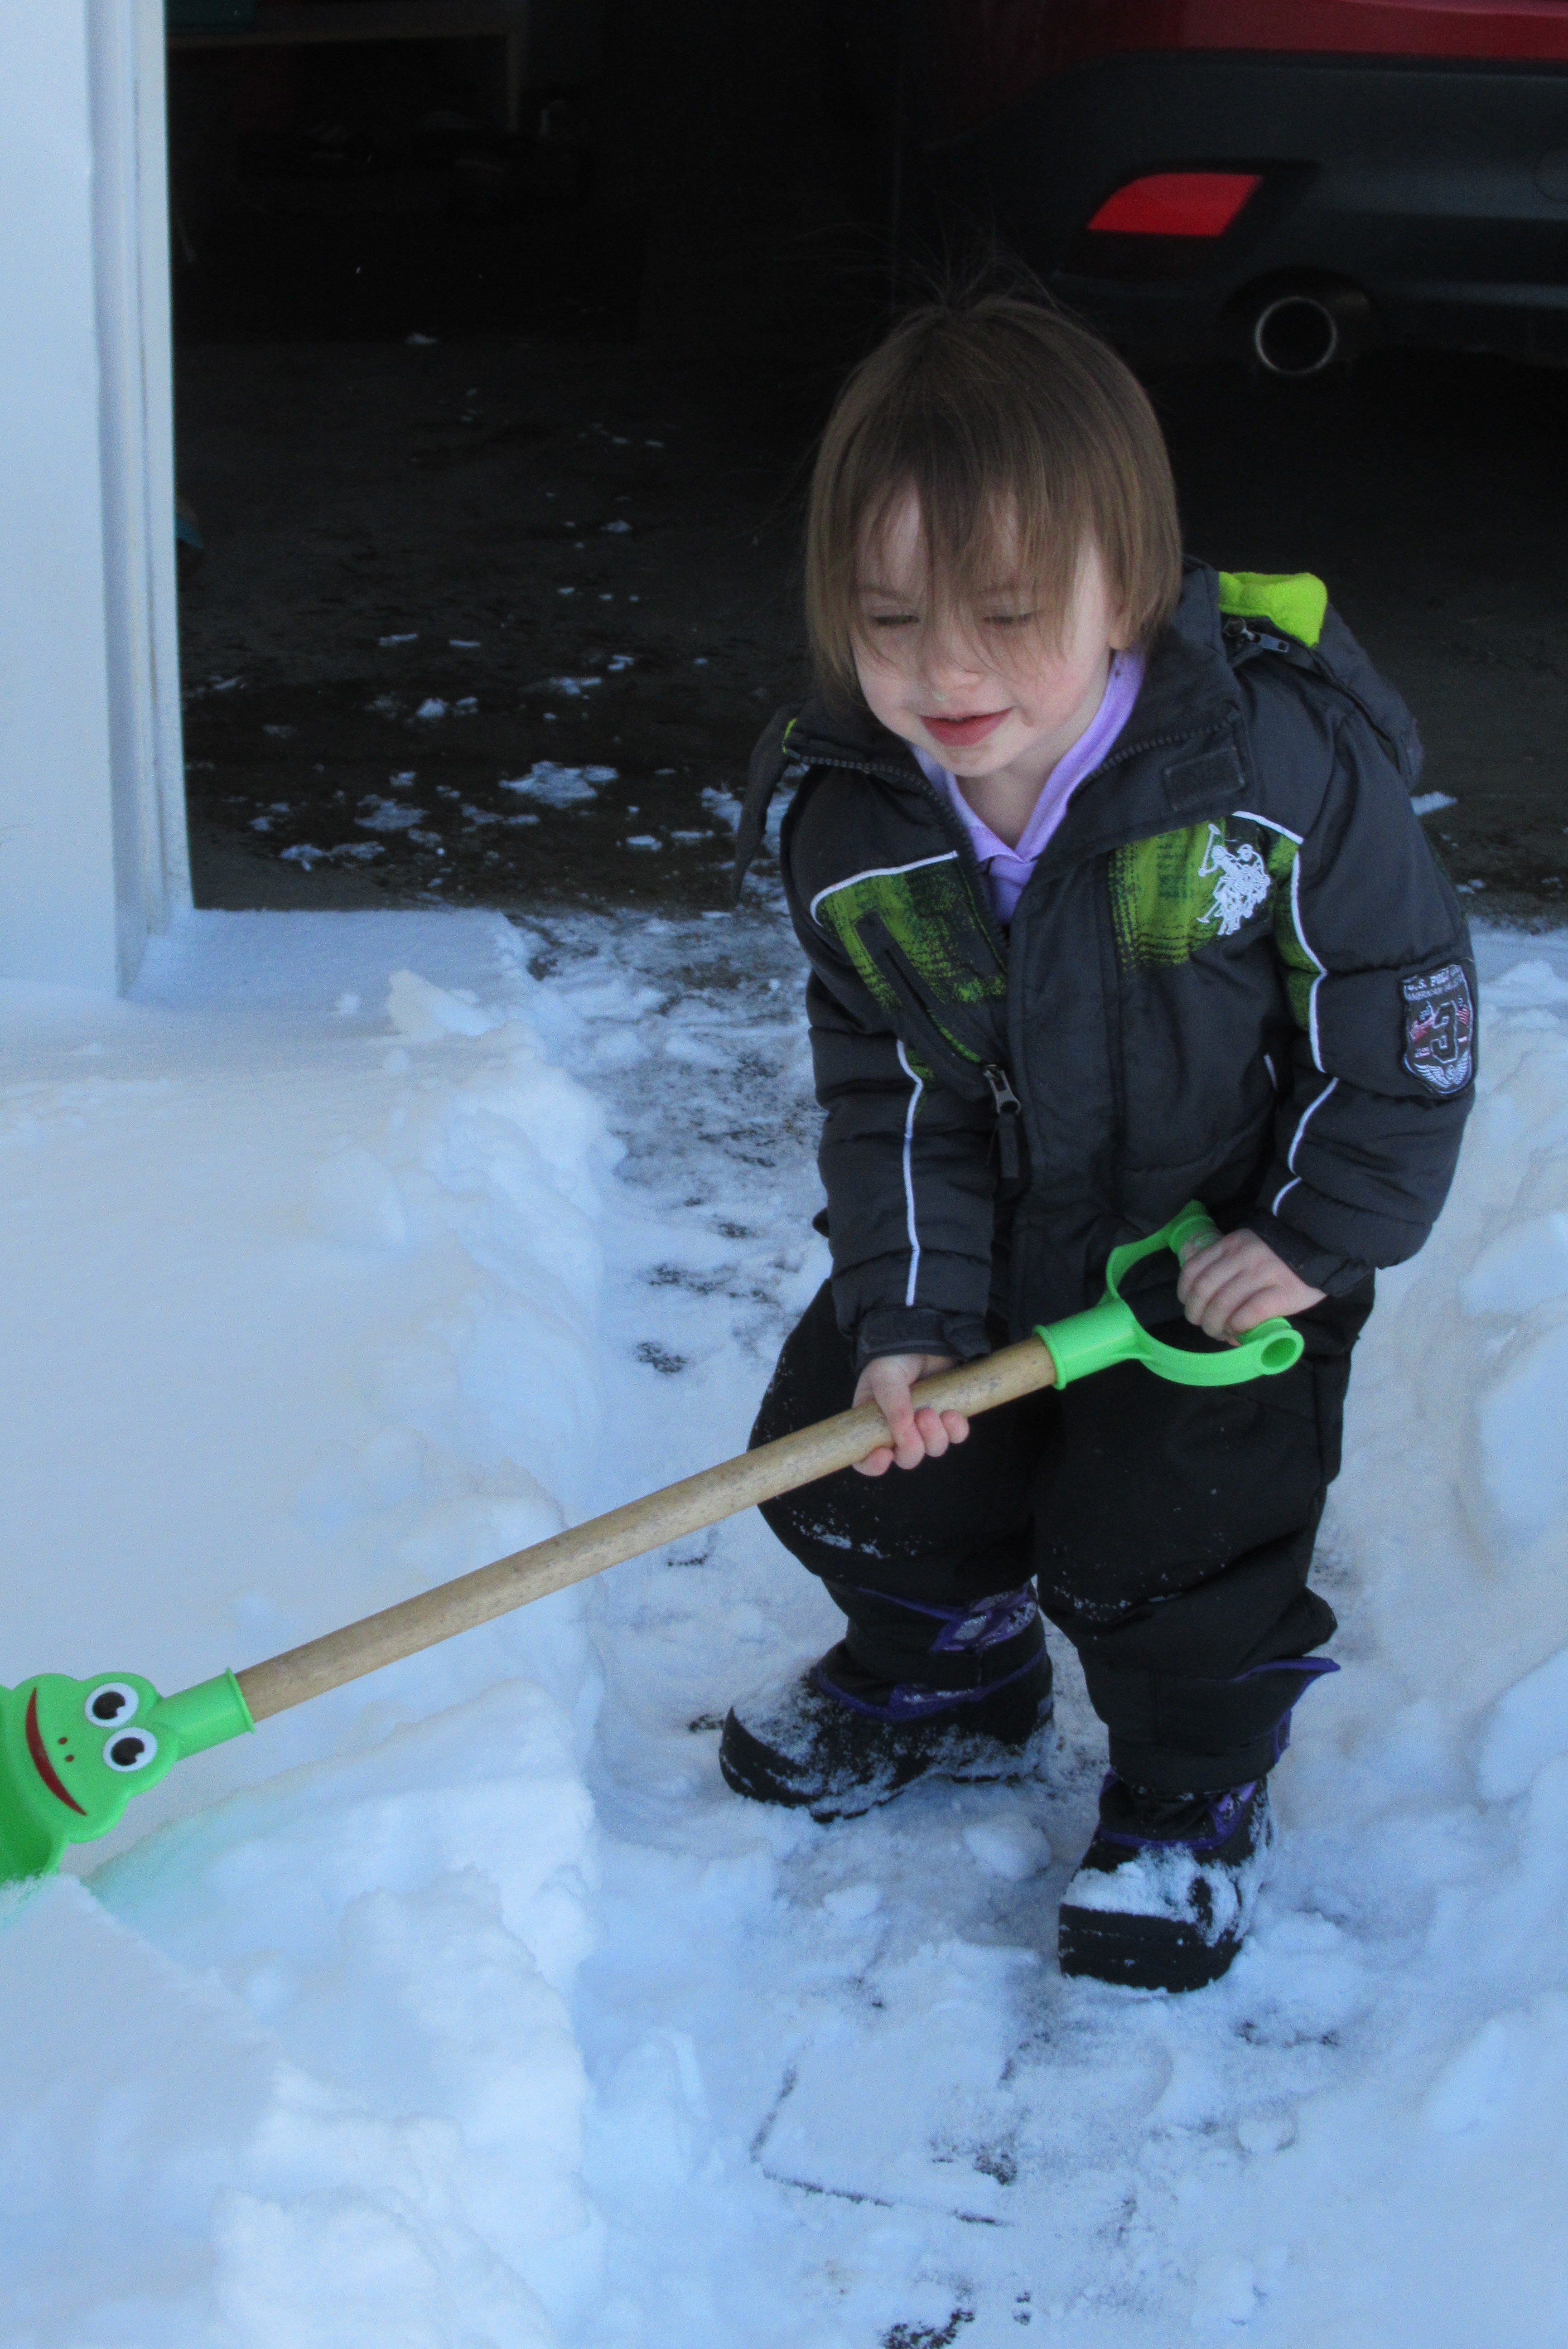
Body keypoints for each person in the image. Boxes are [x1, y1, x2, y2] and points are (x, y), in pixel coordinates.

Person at [721, 292, 1475, 1993]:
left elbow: (1401, 1005)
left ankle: (1190, 1794)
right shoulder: (854, 817)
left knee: (1177, 1546)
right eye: (890, 619)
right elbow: (886, 1083)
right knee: (860, 1461)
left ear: (1123, 586)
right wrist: (910, 1311)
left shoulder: (1266, 764)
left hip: (1217, 1261)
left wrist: (1315, 1232)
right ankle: (953, 1669)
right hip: (992, 1235)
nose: (944, 673)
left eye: (1005, 615)